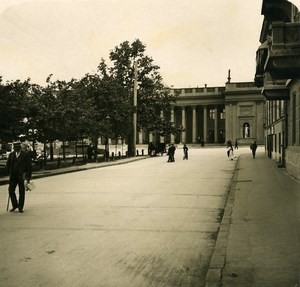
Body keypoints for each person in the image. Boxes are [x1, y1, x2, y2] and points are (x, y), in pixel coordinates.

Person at [6, 141, 32, 213]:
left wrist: (28, 178)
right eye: (15, 148)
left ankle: (20, 207)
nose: (16, 149)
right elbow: (8, 165)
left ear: (20, 148)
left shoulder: (25, 155)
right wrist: (9, 173)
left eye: (18, 147)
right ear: (14, 148)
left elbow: (29, 167)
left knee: (21, 192)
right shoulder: (11, 155)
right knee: (11, 190)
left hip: (22, 177)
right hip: (13, 177)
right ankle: (15, 205)